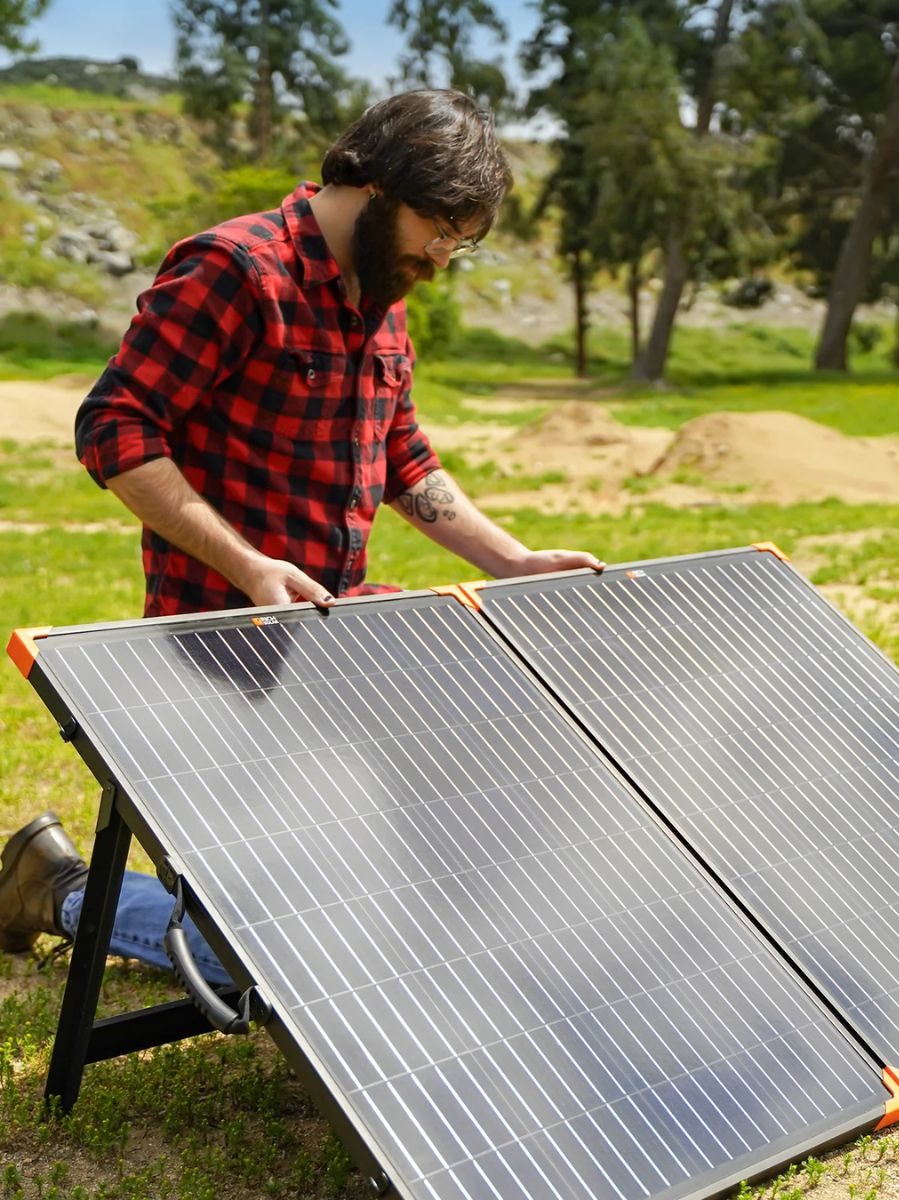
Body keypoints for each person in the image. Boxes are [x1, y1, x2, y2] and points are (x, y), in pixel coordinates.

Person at [0, 90, 603, 982]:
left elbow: (400, 454)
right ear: (368, 183)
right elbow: (115, 426)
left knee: (445, 829)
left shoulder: (382, 294)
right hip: (222, 654)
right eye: (437, 226)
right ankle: (58, 889)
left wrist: (511, 560)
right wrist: (246, 566)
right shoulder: (234, 269)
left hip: (335, 634)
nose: (442, 255)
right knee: (259, 952)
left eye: (460, 240)